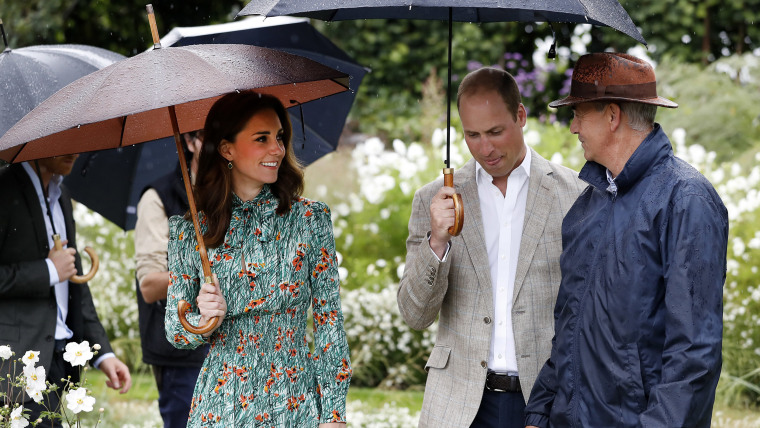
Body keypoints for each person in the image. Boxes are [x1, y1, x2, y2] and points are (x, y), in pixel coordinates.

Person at [524, 52, 728, 428]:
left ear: (612, 116)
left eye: (579, 114)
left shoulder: (686, 200)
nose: (572, 127)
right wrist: (540, 411)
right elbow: (568, 327)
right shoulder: (587, 205)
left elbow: (694, 354)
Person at [397, 67, 586, 428]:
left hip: (545, 403)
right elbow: (414, 315)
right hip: (458, 406)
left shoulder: (574, 193)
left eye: (496, 132)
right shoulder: (433, 200)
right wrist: (437, 241)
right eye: (473, 135)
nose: (485, 148)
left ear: (520, 116)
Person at [164, 91, 351, 427]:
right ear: (226, 149)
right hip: (222, 405)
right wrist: (202, 318)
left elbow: (329, 319)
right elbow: (175, 332)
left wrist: (334, 413)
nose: (277, 149)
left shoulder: (309, 219)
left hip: (294, 400)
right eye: (261, 139)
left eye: (279, 137)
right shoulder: (189, 231)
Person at [0, 156, 132, 425]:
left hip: (59, 360)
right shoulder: (3, 188)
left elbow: (76, 284)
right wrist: (47, 270)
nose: (73, 150)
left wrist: (103, 355)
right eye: (63, 136)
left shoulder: (61, 195)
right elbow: (56, 270)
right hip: (14, 368)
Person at [135, 131, 206, 428]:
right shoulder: (158, 197)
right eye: (210, 137)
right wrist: (206, 269)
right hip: (182, 351)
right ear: (190, 142)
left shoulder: (244, 194)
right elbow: (149, 285)